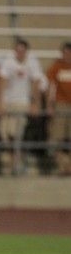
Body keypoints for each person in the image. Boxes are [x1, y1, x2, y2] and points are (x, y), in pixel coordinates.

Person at [0, 38, 44, 175]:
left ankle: (16, 163)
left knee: (17, 133)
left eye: (22, 51)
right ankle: (14, 160)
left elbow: (36, 83)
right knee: (6, 133)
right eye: (17, 50)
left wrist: (35, 103)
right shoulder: (8, 62)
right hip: (8, 102)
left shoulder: (32, 63)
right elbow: (2, 83)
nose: (20, 53)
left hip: (23, 103)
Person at [46, 42, 71, 176]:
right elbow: (51, 87)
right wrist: (50, 105)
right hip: (61, 105)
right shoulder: (56, 67)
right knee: (57, 137)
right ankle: (62, 166)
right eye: (65, 53)